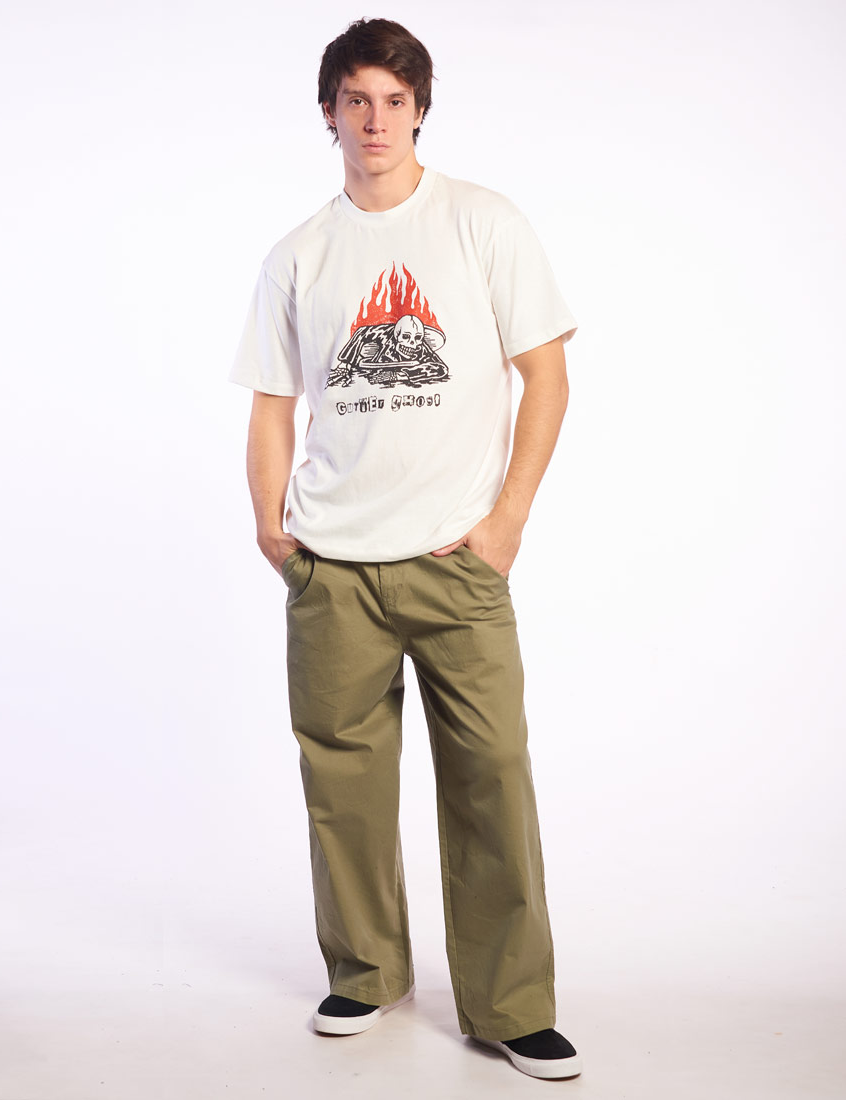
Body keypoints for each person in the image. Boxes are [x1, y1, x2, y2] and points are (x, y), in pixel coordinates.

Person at [229, 16, 582, 1081]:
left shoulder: (482, 222)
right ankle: (365, 968)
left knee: (492, 775)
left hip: (455, 562)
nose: (375, 120)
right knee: (342, 778)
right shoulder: (299, 254)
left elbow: (546, 373)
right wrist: (273, 528)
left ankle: (509, 1002)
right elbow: (273, 402)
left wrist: (506, 522)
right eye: (356, 100)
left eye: (394, 100)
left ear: (420, 110)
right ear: (328, 113)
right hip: (331, 565)